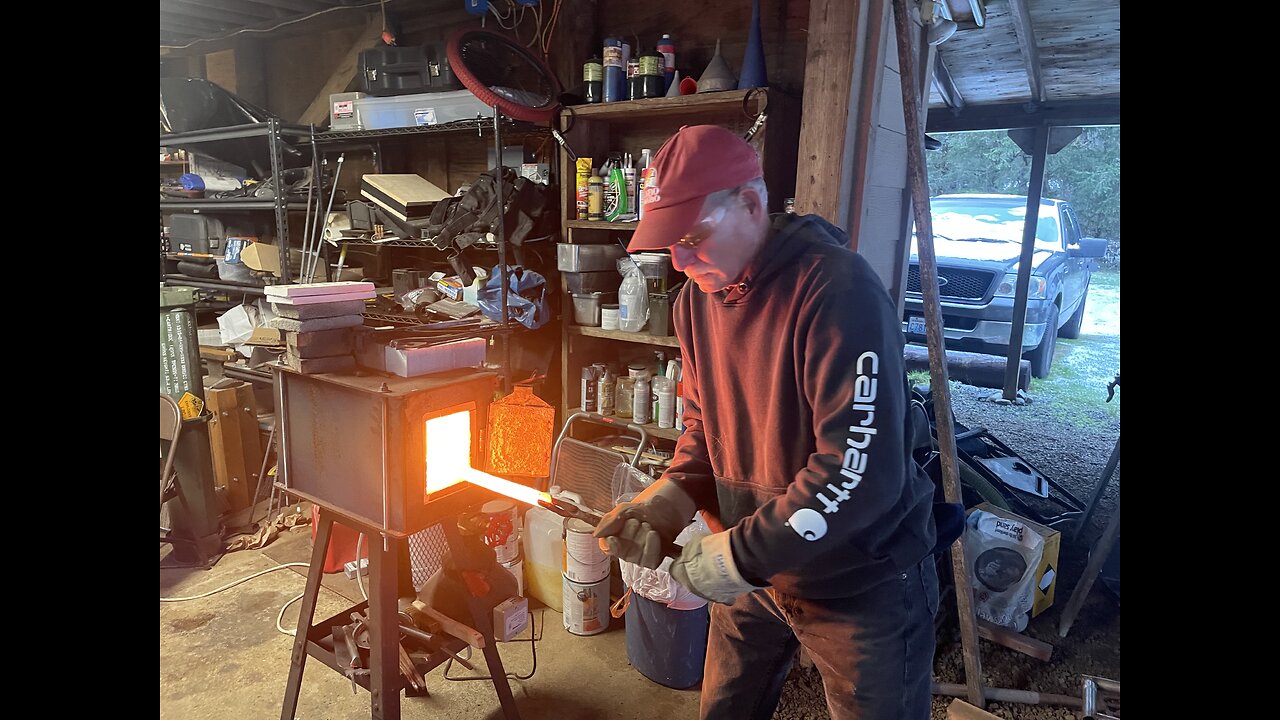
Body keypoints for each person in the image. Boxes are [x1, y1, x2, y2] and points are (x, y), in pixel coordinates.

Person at [593, 125, 944, 720]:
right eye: (666, 246)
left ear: (752, 205)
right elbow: (705, 427)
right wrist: (669, 500)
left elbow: (857, 471)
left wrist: (735, 559)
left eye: (693, 237)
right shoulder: (694, 303)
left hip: (859, 577)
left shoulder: (836, 288)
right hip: (757, 571)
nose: (679, 261)